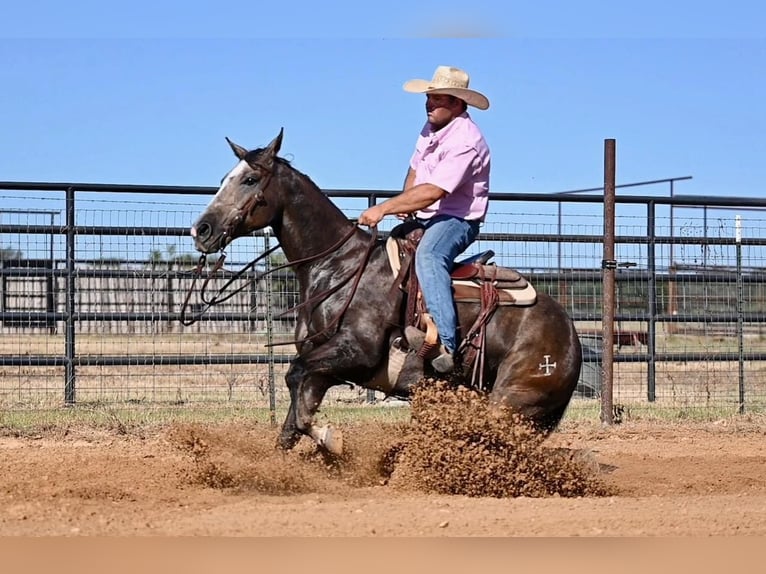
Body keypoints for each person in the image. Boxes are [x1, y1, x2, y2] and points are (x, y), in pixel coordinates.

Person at [358, 65, 491, 373]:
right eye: (429, 98)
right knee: (391, 249)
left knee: (430, 256)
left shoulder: (466, 141)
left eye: (438, 99)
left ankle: (446, 344)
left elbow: (433, 191)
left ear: (458, 104)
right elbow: (416, 170)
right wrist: (406, 202)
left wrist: (385, 208)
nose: (429, 104)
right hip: (429, 214)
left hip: (456, 220)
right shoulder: (431, 128)